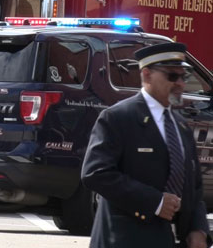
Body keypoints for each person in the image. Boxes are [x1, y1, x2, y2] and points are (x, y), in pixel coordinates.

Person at [81, 42, 211, 248]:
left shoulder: (181, 126)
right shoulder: (118, 118)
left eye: (183, 77)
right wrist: (155, 202)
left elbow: (194, 188)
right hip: (124, 239)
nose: (180, 84)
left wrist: (198, 229)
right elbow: (95, 173)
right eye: (172, 76)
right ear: (147, 75)